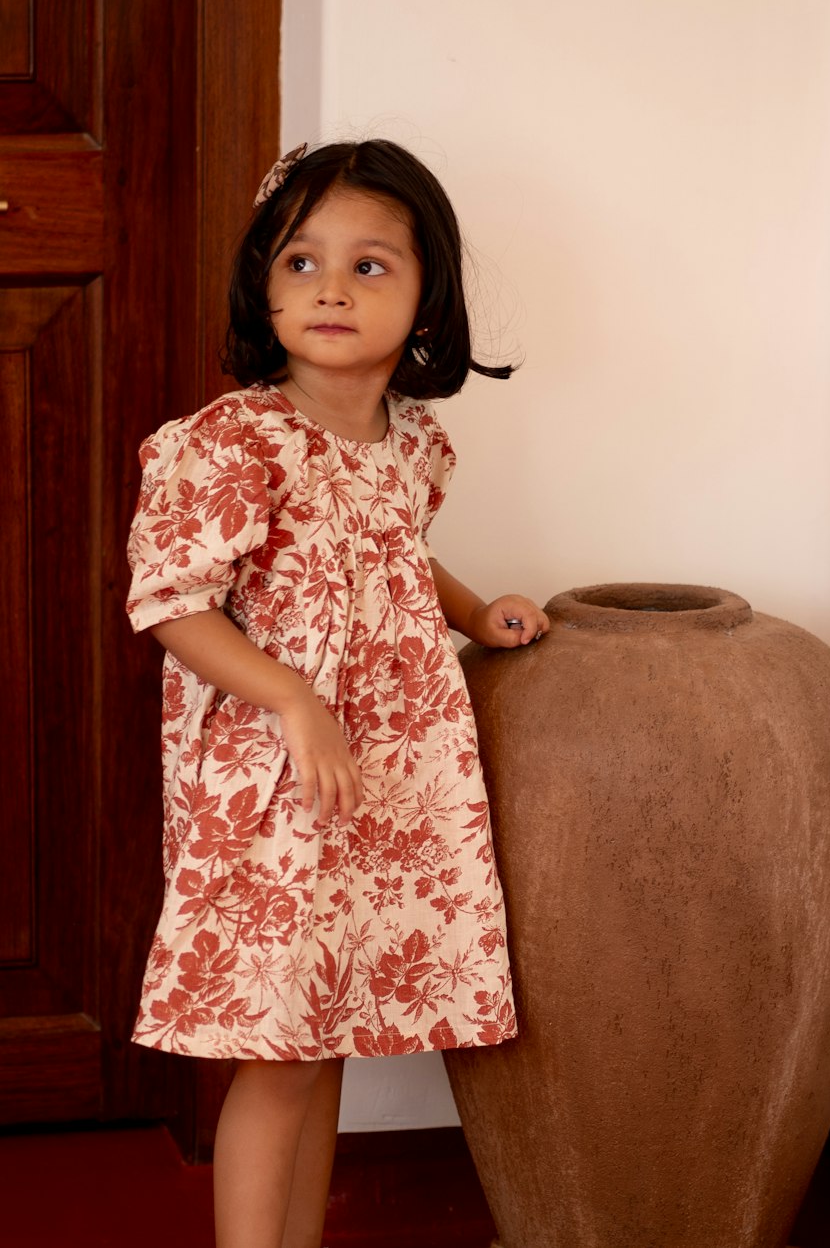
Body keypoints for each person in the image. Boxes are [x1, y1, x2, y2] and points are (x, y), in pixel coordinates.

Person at [126, 139, 549, 1248]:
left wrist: (472, 612)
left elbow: (398, 553)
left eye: (370, 266)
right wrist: (295, 699)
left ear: (425, 304)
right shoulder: (236, 442)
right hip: (277, 785)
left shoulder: (413, 443)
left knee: (323, 1039)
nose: (329, 286)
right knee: (275, 1052)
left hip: (378, 780)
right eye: (302, 261)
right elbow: (172, 604)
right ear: (264, 288)